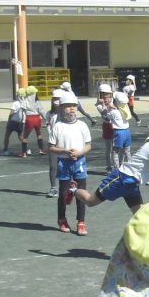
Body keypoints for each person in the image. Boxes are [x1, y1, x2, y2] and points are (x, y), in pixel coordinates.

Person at [72, 115, 149, 214]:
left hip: (131, 185)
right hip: (120, 180)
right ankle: (73, 190)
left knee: (140, 215)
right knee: (90, 201)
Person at [49, 91, 92, 235]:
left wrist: (79, 153)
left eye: (74, 106)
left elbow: (88, 145)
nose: (71, 109)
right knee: (62, 193)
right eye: (68, 106)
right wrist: (66, 151)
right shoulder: (58, 126)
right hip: (64, 163)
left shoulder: (82, 125)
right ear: (62, 108)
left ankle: (81, 222)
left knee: (82, 193)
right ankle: (62, 219)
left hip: (80, 162)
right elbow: (51, 147)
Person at [0, 88, 28, 156]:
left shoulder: (15, 103)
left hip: (13, 122)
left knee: (7, 135)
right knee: (21, 137)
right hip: (21, 122)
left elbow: (11, 113)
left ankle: (5, 150)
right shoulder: (26, 103)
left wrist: (9, 121)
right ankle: (26, 149)